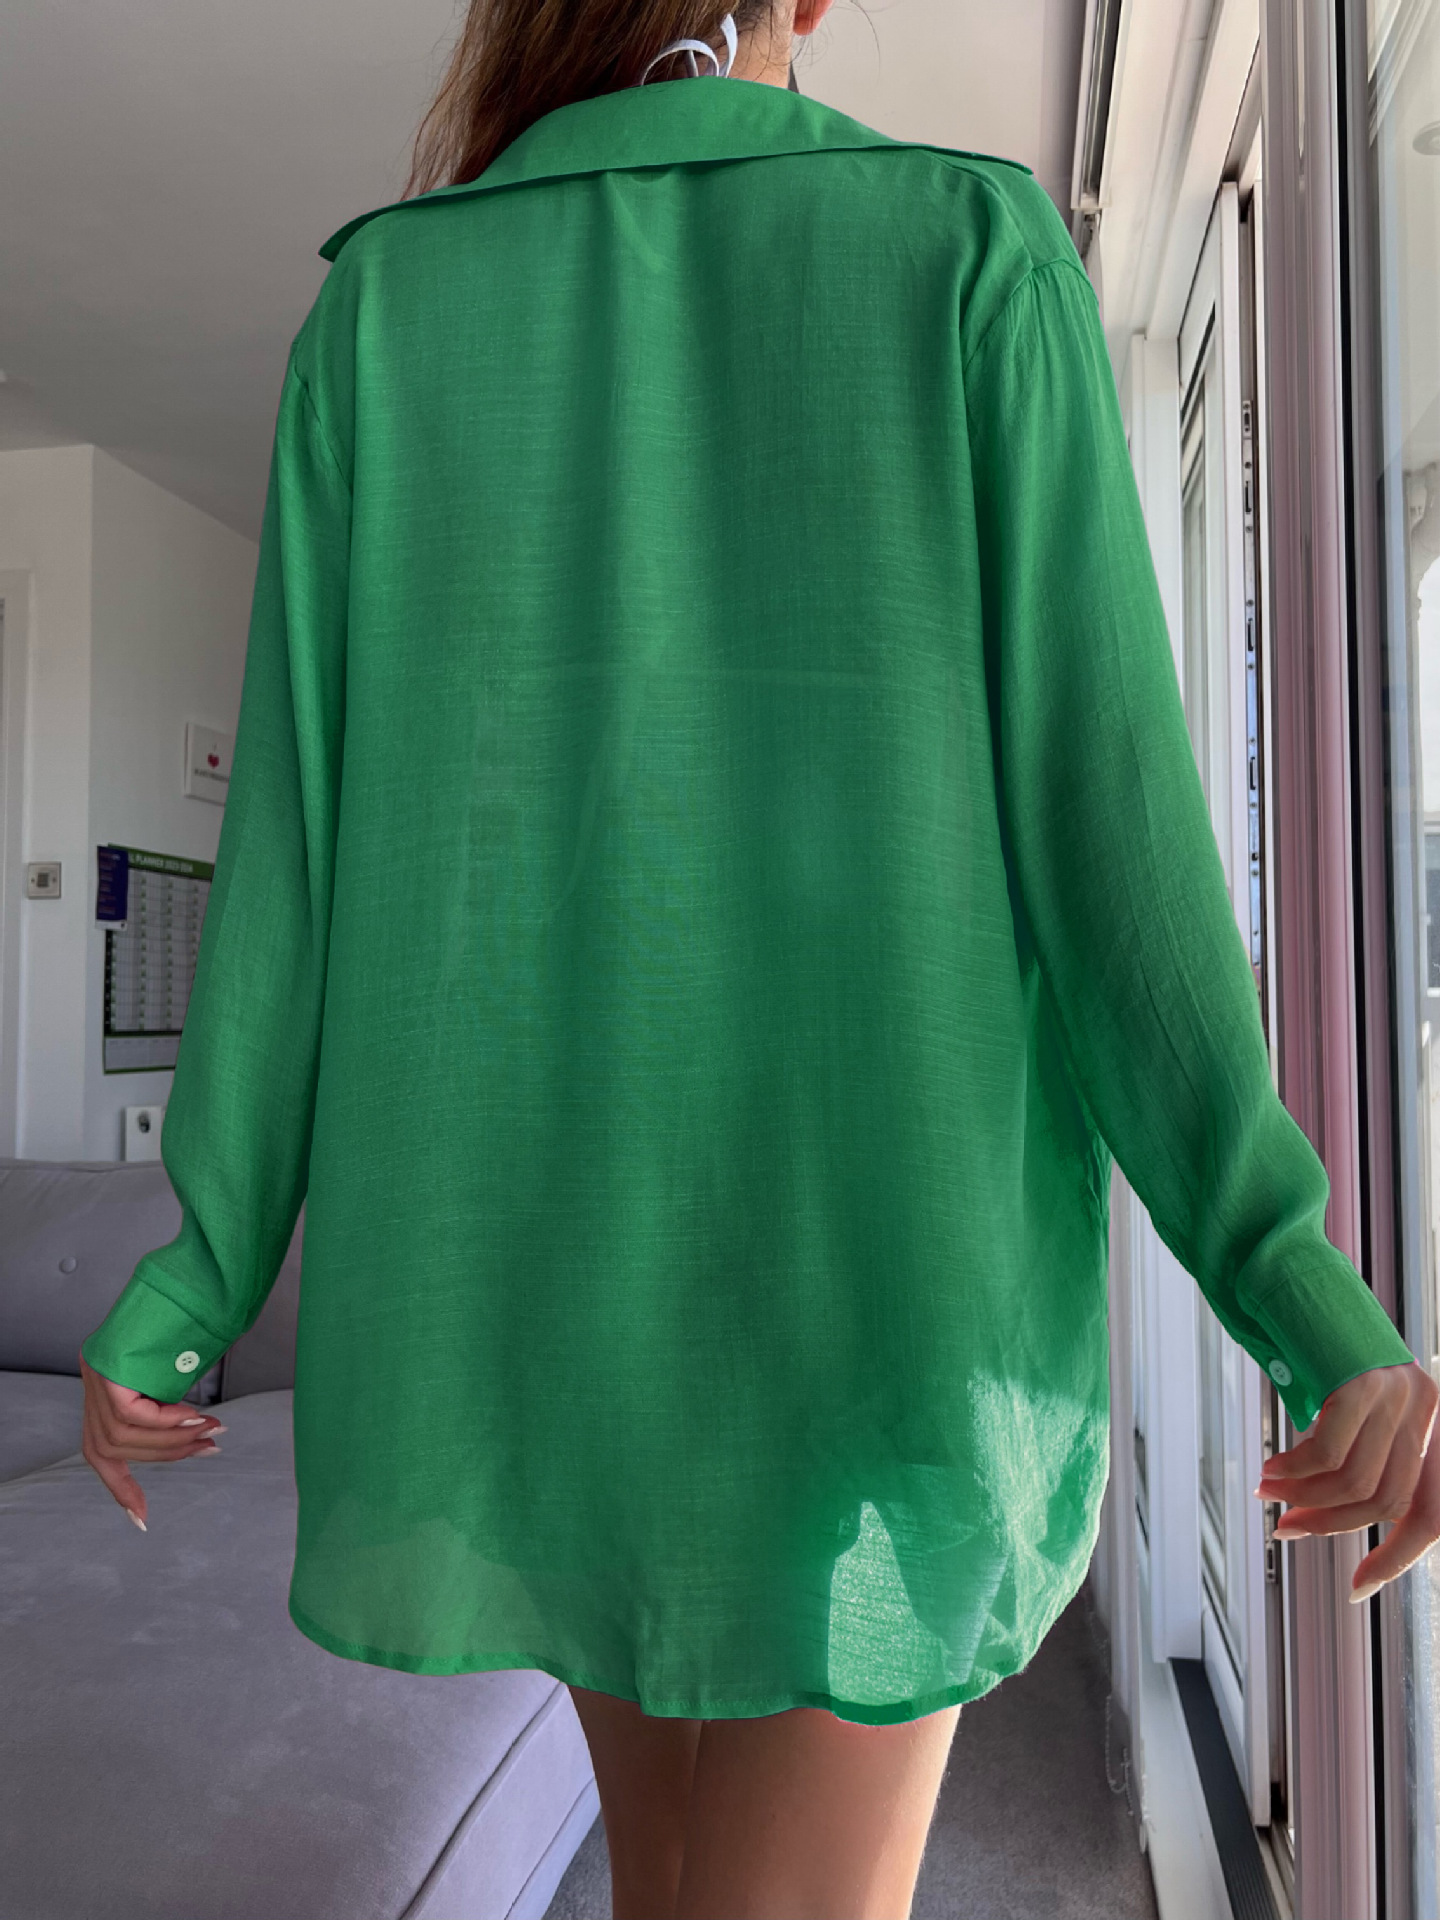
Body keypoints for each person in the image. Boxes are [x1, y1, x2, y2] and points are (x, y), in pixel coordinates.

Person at [76, 3, 1440, 1916]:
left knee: (669, 1880)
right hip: (878, 1291)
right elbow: (1115, 839)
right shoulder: (967, 251)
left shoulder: (380, 313)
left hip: (536, 1295)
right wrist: (1298, 1289)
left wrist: (197, 1278)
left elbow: (290, 857)